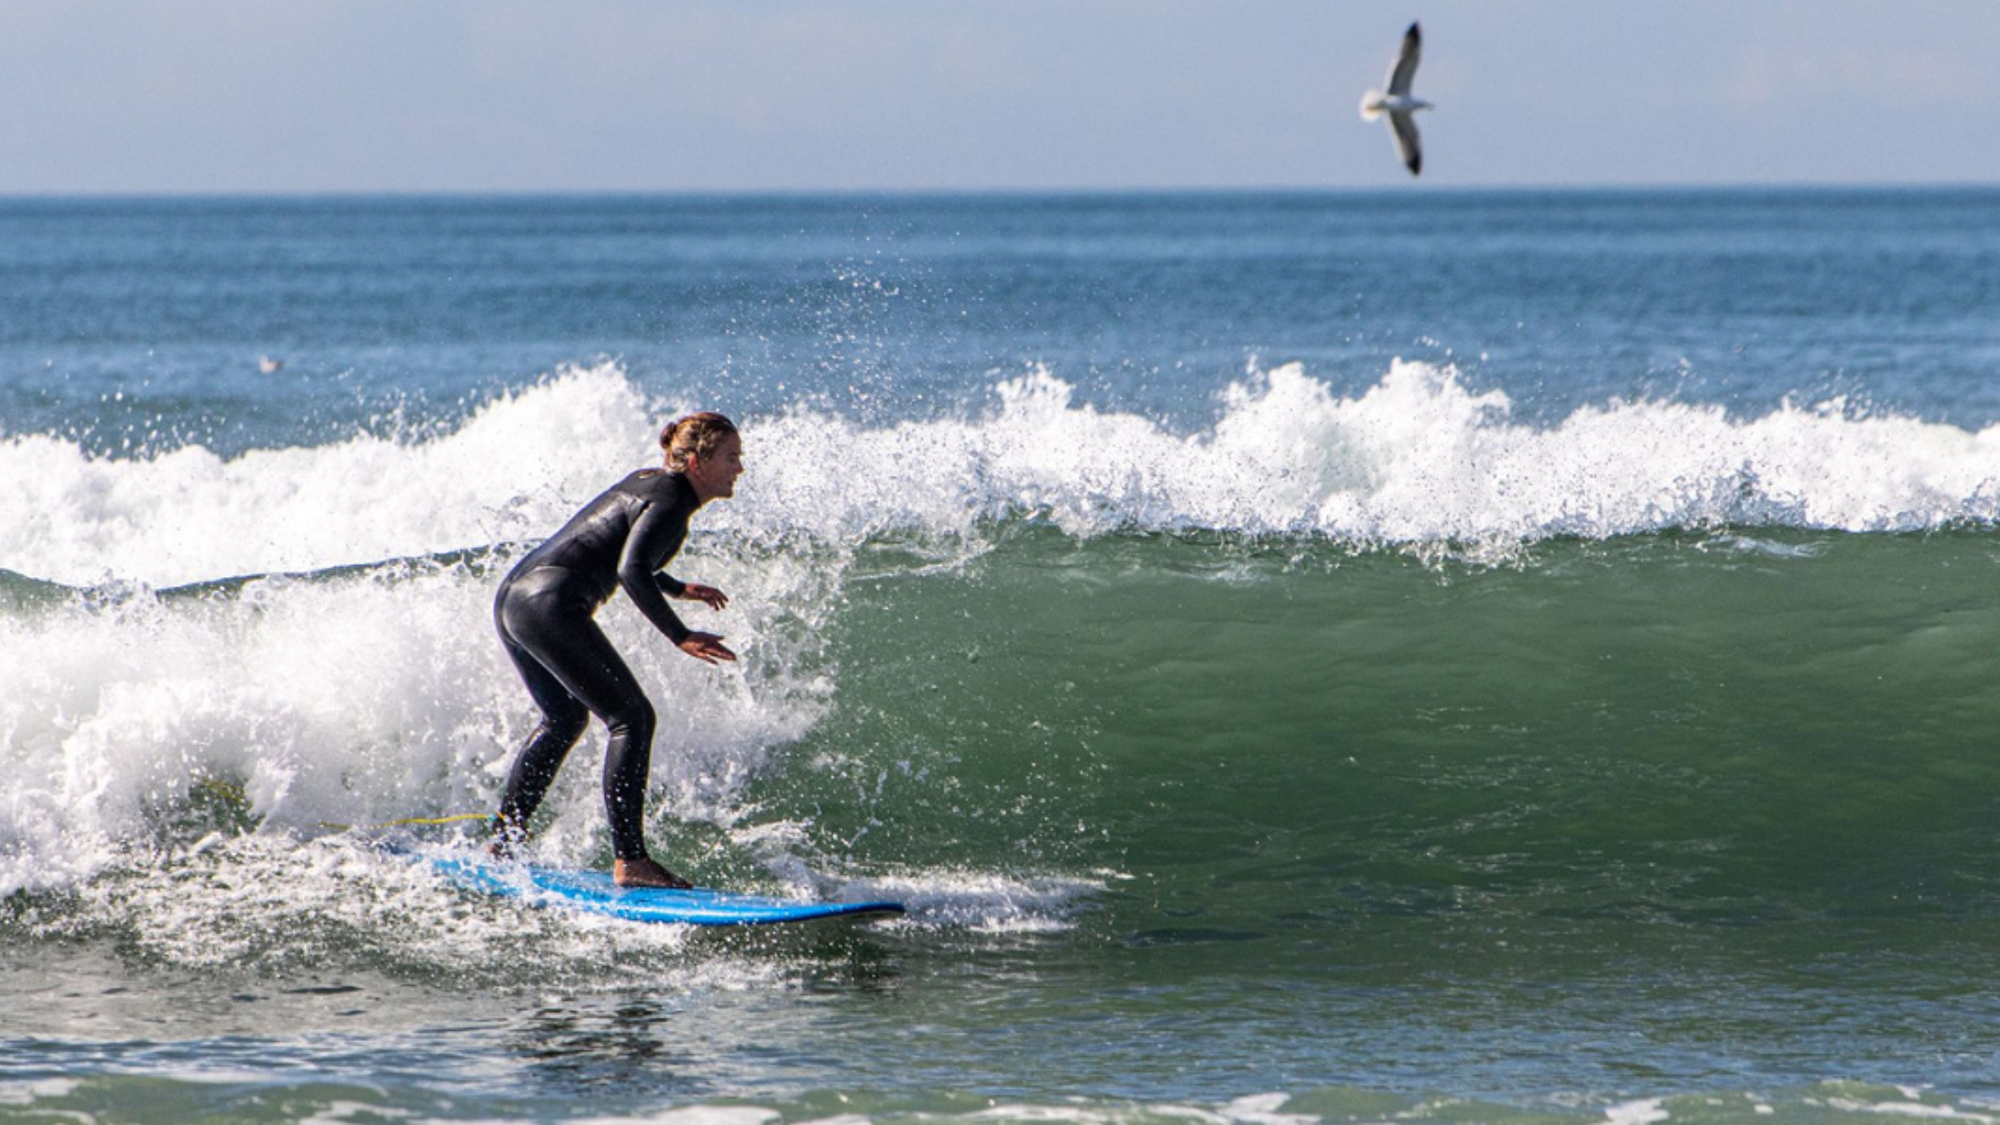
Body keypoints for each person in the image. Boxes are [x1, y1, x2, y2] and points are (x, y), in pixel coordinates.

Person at [489, 412, 743, 888]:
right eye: (731, 457)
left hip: (516, 598)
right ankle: (632, 860)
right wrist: (679, 634)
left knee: (565, 719)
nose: (739, 469)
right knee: (633, 718)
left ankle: (504, 839)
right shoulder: (673, 504)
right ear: (696, 462)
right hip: (550, 604)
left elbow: (616, 551)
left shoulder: (652, 484)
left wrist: (677, 587)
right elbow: (630, 570)